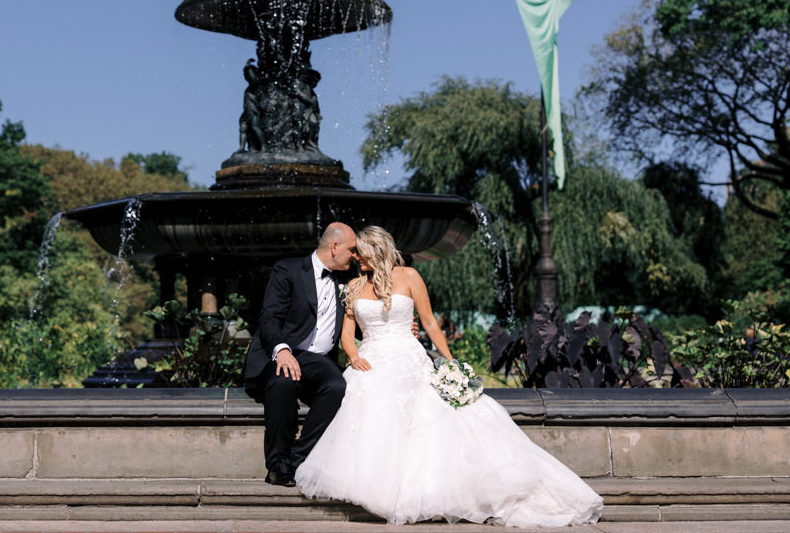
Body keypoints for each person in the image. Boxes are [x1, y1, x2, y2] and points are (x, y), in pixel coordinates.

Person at [295, 226, 604, 527]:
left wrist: (450, 361)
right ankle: (371, 486)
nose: (355, 260)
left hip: (408, 357)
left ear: (375, 252)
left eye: (360, 254)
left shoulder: (411, 277)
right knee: (364, 401)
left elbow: (428, 322)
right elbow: (347, 335)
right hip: (371, 359)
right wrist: (354, 357)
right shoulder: (354, 286)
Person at [243, 222, 358, 487]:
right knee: (282, 382)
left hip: (318, 360)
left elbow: (360, 320)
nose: (355, 255)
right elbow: (270, 317)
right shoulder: (289, 270)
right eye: (352, 249)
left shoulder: (347, 281)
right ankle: (277, 465)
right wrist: (282, 350)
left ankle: (298, 458)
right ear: (334, 247)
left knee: (337, 385)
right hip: (285, 352)